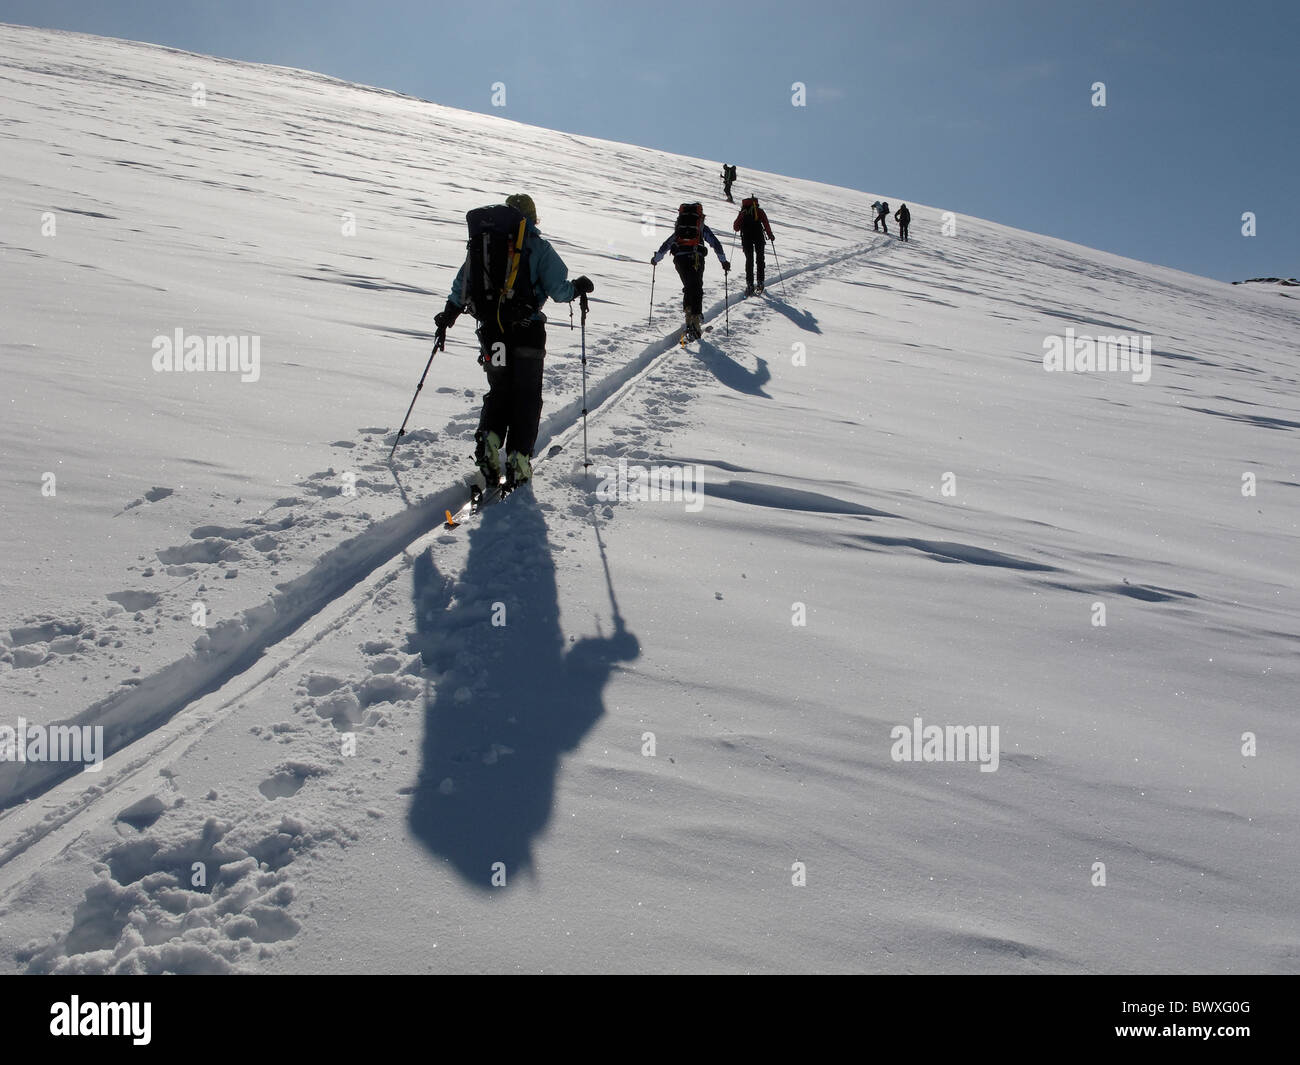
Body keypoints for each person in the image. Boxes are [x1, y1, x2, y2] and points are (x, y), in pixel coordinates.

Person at [434, 193, 593, 490]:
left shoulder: (482, 247)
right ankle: (519, 457)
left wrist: (448, 316)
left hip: (492, 333)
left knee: (500, 391)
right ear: (532, 218)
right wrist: (578, 288)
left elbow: (461, 288)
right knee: (527, 396)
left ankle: (490, 440)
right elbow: (559, 291)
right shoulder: (539, 247)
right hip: (527, 333)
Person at [651, 202, 730, 340]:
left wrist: (656, 259)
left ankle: (688, 315)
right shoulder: (700, 226)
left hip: (680, 259)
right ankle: (696, 320)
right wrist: (723, 261)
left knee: (688, 286)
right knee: (697, 286)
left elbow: (667, 244)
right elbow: (715, 243)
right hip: (696, 257)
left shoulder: (679, 227)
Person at [732, 195, 775, 297]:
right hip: (759, 237)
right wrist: (770, 235)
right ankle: (760, 282)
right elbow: (766, 223)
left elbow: (736, 227)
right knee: (760, 259)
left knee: (749, 260)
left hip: (746, 238)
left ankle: (750, 284)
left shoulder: (743, 212)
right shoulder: (759, 211)